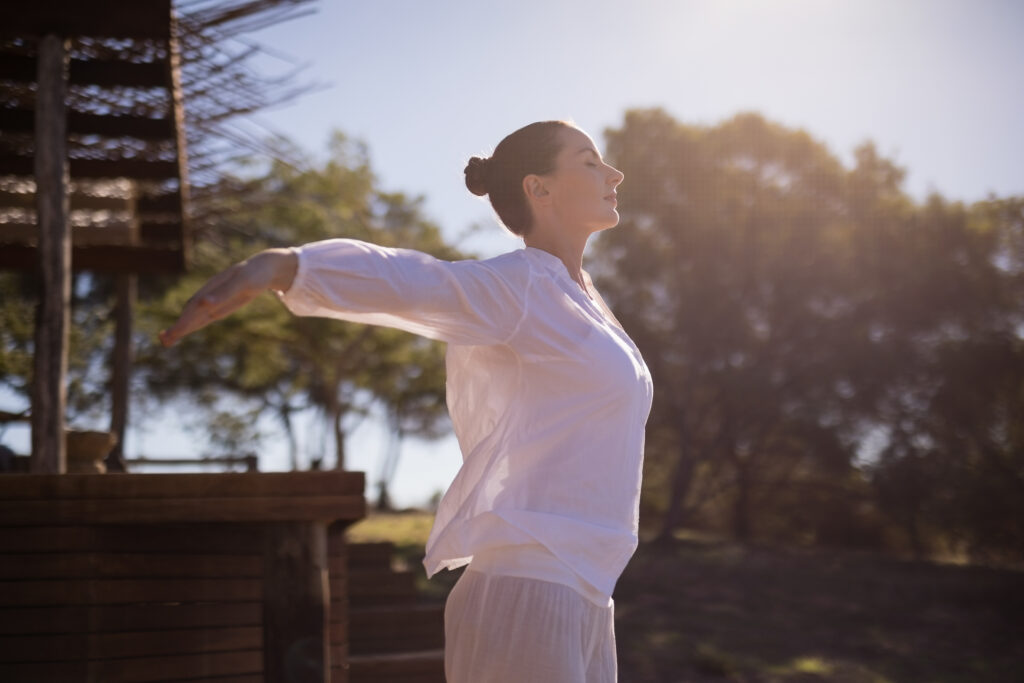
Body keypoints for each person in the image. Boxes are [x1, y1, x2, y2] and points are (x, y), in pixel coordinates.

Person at [161, 120, 653, 682]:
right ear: (537, 188)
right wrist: (285, 267)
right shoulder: (522, 285)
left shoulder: (584, 299)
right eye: (589, 161)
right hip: (529, 587)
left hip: (588, 590)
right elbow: (419, 281)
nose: (613, 173)